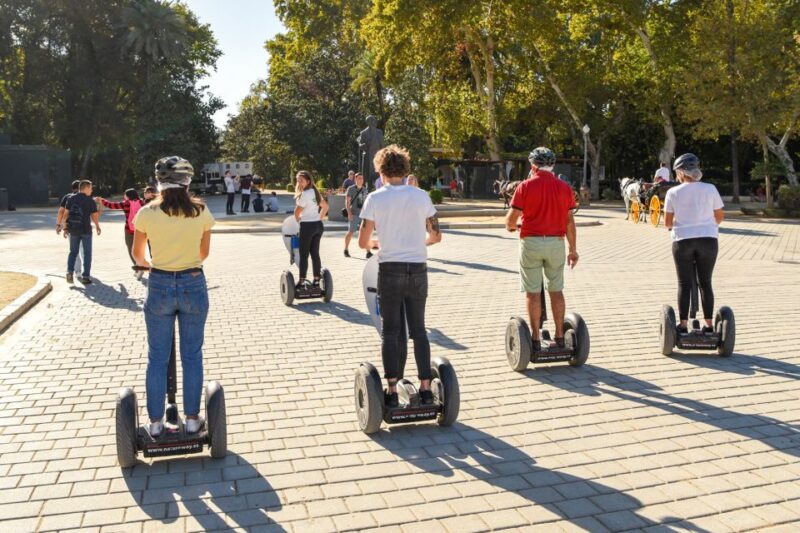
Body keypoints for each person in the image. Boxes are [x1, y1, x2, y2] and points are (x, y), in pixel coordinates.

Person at [132, 156, 215, 437]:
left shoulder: (146, 212)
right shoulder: (200, 211)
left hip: (159, 284)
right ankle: (192, 420)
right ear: (187, 180)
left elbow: (137, 254)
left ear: (159, 182)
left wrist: (152, 264)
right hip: (193, 282)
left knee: (157, 357)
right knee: (191, 355)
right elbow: (204, 254)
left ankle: (155, 424)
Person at [358, 145, 442, 408]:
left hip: (390, 268)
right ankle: (426, 389)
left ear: (381, 171)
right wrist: (420, 244)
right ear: (406, 170)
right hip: (417, 268)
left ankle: (392, 390)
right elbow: (436, 236)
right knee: (419, 330)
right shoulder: (421, 196)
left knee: (391, 332)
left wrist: (377, 245)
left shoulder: (375, 198)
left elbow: (362, 241)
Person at [505, 147, 578, 352]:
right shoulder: (565, 188)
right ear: (553, 165)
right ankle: (559, 336)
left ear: (532, 165)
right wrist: (573, 250)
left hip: (531, 243)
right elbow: (569, 222)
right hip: (556, 243)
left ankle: (535, 338)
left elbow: (510, 221)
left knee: (533, 292)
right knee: (556, 289)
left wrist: (514, 226)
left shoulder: (525, 186)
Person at [664, 153, 724, 334]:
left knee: (684, 283)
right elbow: (719, 216)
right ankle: (708, 325)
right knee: (706, 282)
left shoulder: (672, 192)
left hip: (683, 241)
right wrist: (705, 225)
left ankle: (682, 325)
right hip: (708, 241)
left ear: (681, 172)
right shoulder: (711, 189)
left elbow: (667, 223)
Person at [294, 170, 329, 288]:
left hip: (308, 227)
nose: (299, 183)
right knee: (315, 254)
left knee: (304, 255)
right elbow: (326, 207)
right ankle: (316, 280)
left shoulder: (305, 194)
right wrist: (318, 218)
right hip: (318, 226)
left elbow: (296, 212)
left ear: (308, 181)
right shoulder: (315, 192)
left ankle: (302, 281)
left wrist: (300, 221)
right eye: (298, 180)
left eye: (301, 181)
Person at [98, 189, 145, 275]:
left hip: (129, 229)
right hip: (142, 230)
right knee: (140, 249)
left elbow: (111, 205)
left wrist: (102, 200)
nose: (124, 196)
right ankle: (142, 264)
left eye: (125, 195)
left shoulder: (125, 203)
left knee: (131, 248)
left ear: (128, 196)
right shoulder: (142, 203)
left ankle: (138, 266)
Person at [65, 180, 102, 284]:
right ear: (85, 188)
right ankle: (86, 276)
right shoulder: (90, 200)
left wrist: (65, 228)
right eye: (90, 188)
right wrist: (98, 226)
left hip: (73, 230)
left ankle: (69, 272)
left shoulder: (71, 198)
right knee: (87, 253)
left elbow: (66, 214)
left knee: (73, 252)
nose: (92, 190)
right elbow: (94, 216)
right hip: (86, 230)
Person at [56, 180, 82, 273]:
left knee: (75, 249)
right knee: (83, 248)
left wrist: (59, 225)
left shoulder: (67, 197)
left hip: (70, 226)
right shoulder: (86, 197)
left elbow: (60, 211)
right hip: (84, 226)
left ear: (72, 188)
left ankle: (78, 271)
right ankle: (86, 271)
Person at [344, 172, 369, 258]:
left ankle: (368, 251)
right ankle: (346, 249)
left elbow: (366, 202)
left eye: (362, 178)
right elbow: (347, 202)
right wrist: (349, 213)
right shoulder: (351, 189)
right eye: (359, 178)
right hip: (353, 213)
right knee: (351, 232)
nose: (361, 180)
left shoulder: (365, 189)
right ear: (355, 179)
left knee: (366, 233)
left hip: (363, 215)